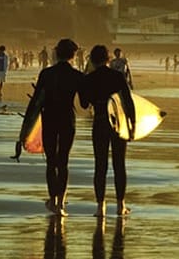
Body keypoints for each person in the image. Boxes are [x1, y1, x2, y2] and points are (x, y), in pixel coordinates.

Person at [23, 39, 85, 217]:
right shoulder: (77, 76)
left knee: (51, 162)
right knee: (63, 161)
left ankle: (53, 199)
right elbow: (84, 103)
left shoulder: (46, 73)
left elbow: (35, 102)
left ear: (57, 53)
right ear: (73, 55)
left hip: (49, 119)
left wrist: (26, 128)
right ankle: (60, 204)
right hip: (67, 120)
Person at [80, 45, 136, 218]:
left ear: (92, 60)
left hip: (100, 122)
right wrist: (132, 125)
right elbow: (128, 101)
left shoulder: (89, 78)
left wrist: (85, 85)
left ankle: (100, 207)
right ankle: (121, 205)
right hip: (118, 124)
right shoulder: (117, 76)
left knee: (100, 165)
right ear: (108, 58)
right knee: (119, 164)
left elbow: (84, 104)